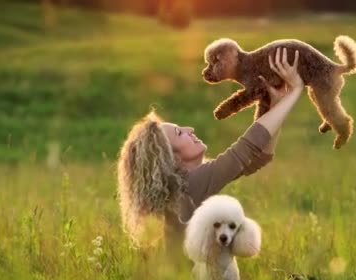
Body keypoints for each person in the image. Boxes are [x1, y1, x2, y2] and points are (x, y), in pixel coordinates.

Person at [117, 48, 304, 251]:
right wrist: (294, 92)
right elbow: (247, 148)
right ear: (172, 158)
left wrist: (275, 105)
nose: (190, 129)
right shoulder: (190, 186)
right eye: (180, 133)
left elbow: (258, 158)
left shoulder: (188, 184)